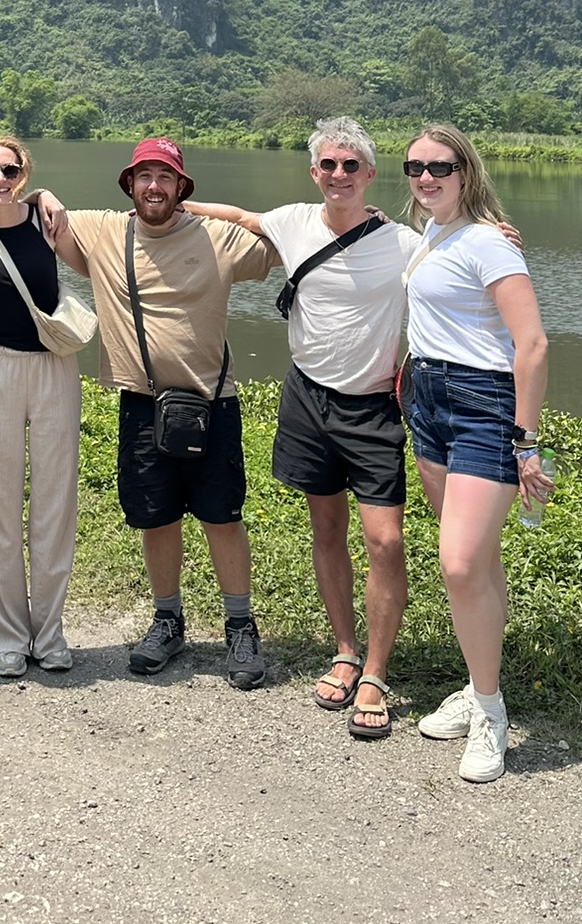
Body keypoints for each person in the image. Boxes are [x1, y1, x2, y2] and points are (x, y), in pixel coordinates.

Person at [185, 117, 416, 740]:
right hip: (308, 399)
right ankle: (346, 651)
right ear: (314, 172)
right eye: (328, 165)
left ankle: (376, 671)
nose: (339, 175)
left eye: (350, 165)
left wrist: (491, 231)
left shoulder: (405, 244)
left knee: (385, 541)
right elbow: (238, 217)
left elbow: (458, 256)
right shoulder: (293, 221)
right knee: (327, 528)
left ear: (370, 174)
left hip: (372, 407)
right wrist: (172, 202)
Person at [49, 139, 278, 689]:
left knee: (222, 516)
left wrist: (358, 216)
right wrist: (40, 194)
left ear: (182, 187)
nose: (154, 186)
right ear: (129, 184)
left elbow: (287, 236)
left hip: (211, 402)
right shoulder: (104, 230)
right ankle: (168, 620)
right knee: (156, 517)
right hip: (141, 403)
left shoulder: (217, 237)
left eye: (166, 177)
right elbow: (4, 204)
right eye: (145, 175)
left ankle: (240, 625)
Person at [402, 123, 552, 784]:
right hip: (428, 400)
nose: (426, 177)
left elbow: (533, 344)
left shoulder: (489, 242)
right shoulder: (431, 234)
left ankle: (490, 712)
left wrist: (527, 442)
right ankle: (477, 685)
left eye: (440, 167)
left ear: (466, 171)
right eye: (415, 167)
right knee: (477, 562)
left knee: (459, 564)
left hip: (483, 405)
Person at [0, 135, 84, 678]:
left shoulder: (48, 222)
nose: (0, 180)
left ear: (24, 174)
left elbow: (99, 264)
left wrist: (45, 197)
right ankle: (8, 635)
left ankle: (49, 633)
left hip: (54, 366)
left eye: (10, 171)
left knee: (55, 500)